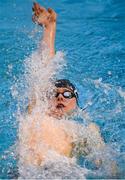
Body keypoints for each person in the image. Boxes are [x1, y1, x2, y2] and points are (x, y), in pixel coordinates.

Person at [19, 2, 117, 177]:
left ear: (76, 102)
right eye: (54, 94)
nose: (60, 97)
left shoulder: (83, 131)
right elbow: (43, 70)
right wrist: (49, 28)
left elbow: (105, 165)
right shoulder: (37, 115)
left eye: (67, 94)